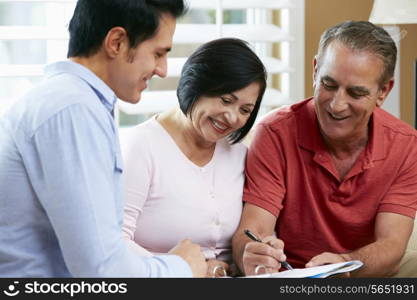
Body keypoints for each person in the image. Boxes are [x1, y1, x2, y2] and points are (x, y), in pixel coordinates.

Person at [0, 0, 207, 277]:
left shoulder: (74, 102)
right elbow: (101, 271)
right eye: (158, 53)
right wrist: (184, 267)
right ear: (117, 42)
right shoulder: (73, 110)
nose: (163, 70)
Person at [232, 21, 417, 277]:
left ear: (383, 91)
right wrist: (250, 254)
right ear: (315, 69)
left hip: (365, 274)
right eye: (329, 85)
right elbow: (253, 229)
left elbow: (392, 246)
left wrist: (344, 263)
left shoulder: (406, 144)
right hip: (292, 275)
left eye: (355, 93)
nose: (337, 105)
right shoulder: (275, 133)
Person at [120, 38, 267, 277]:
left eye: (245, 110)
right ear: (196, 84)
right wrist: (182, 269)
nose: (232, 118)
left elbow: (231, 249)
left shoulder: (238, 153)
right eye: (226, 100)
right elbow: (115, 244)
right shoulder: (141, 147)